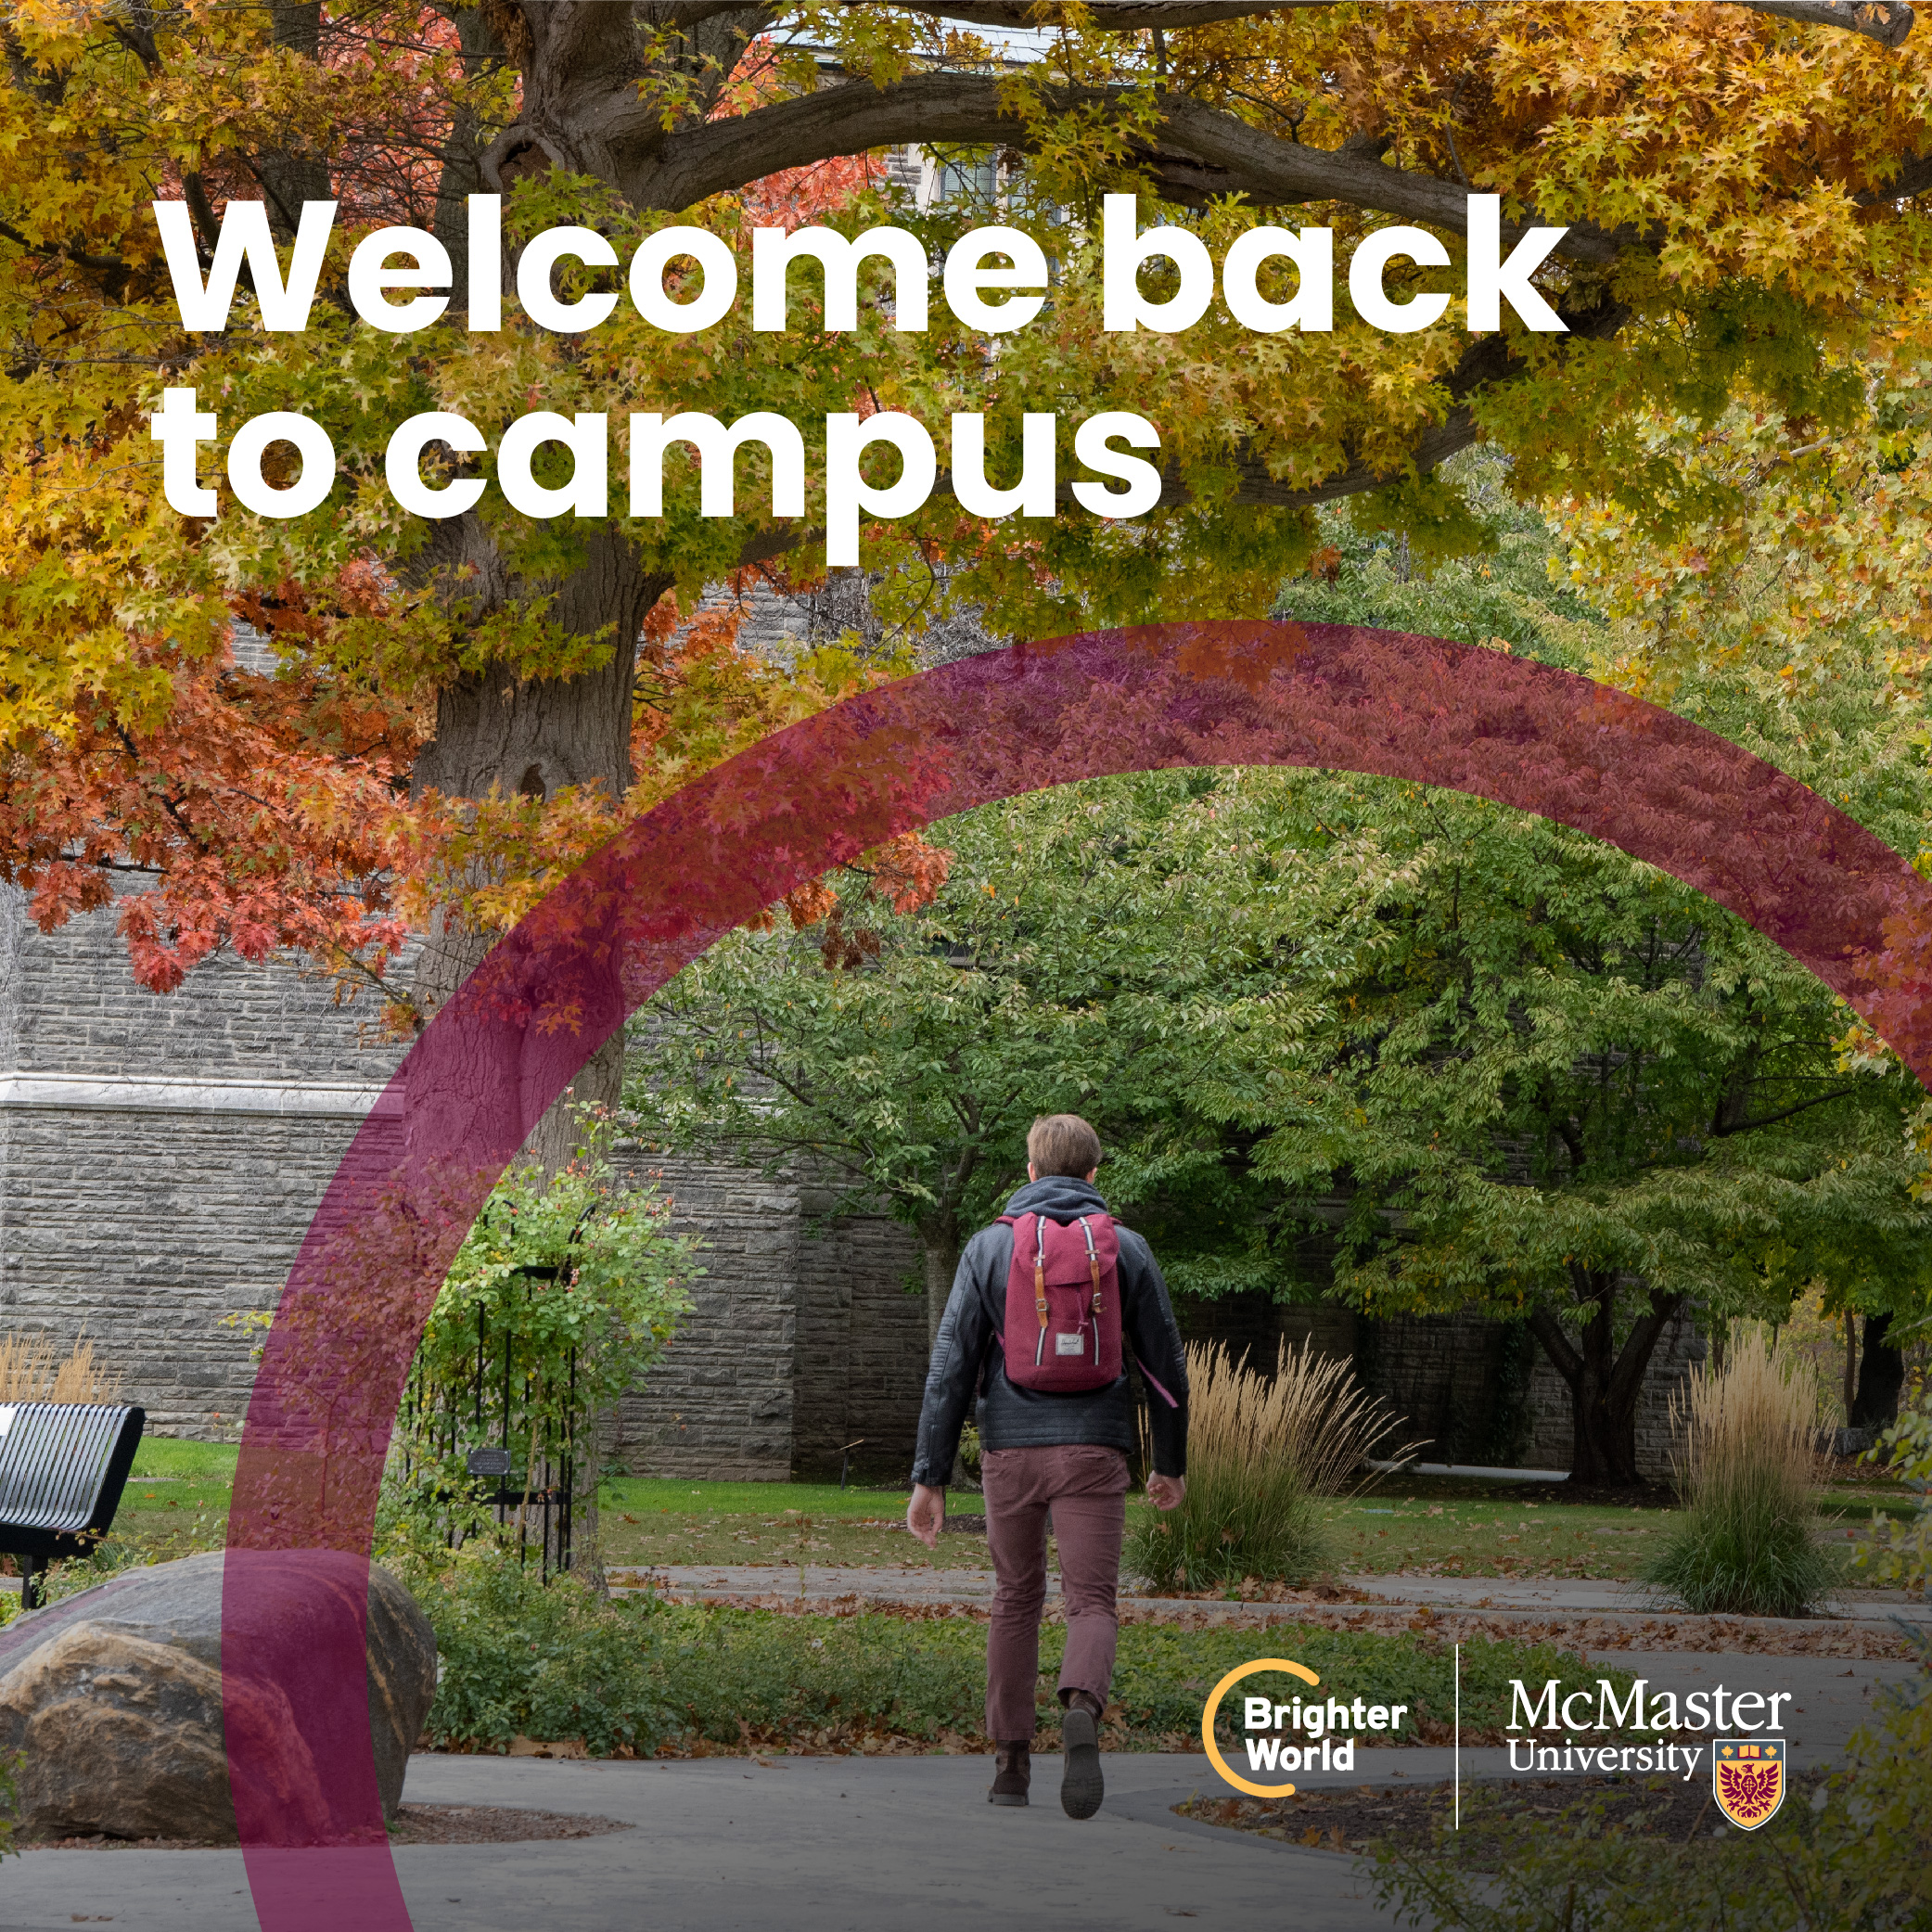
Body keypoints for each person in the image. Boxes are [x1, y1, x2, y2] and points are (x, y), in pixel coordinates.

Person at [906, 1113, 1189, 1818]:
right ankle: (1081, 1704)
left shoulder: (988, 1247)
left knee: (1015, 1599)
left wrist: (929, 1475)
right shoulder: (1125, 1247)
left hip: (1010, 1450)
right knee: (1091, 1600)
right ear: (1095, 1174)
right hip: (1095, 1447)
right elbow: (1166, 1369)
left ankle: (1009, 1767)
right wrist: (1170, 1462)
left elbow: (949, 1370)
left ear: (1029, 1171)